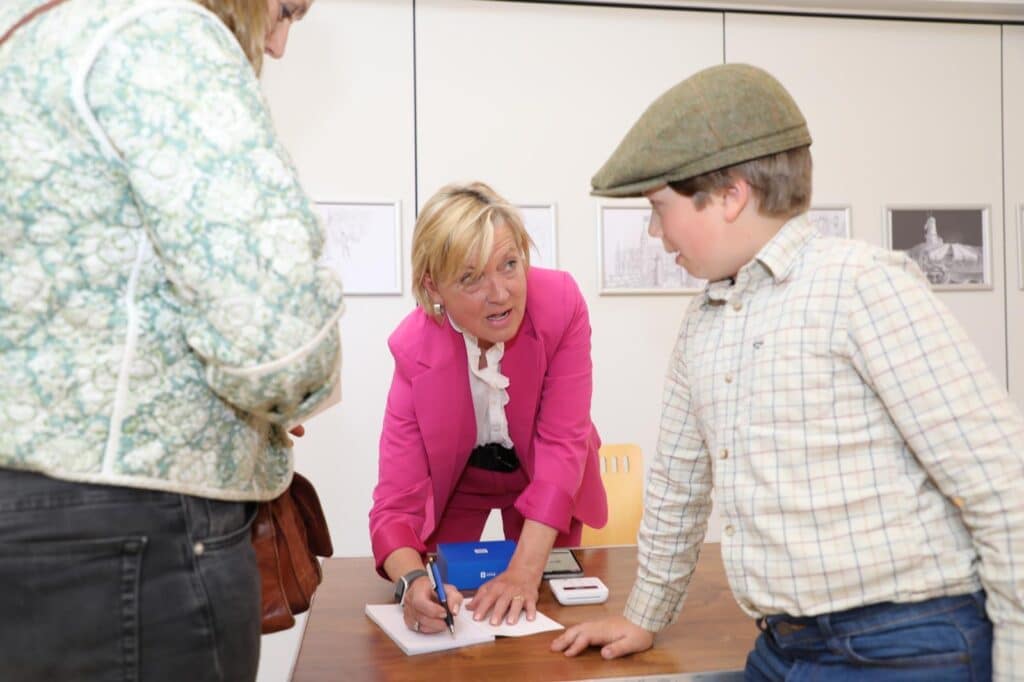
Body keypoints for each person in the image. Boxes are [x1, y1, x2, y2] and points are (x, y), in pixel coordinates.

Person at [551, 63, 1024, 680]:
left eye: (659, 207)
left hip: (907, 640)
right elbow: (677, 486)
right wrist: (644, 614)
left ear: (729, 195)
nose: (654, 230)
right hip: (783, 648)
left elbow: (1000, 484)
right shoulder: (703, 322)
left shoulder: (862, 285)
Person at [0, 0, 342, 680]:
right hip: (133, 537)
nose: (276, 46)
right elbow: (275, 339)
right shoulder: (170, 35)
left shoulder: (34, 42)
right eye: (283, 11)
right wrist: (294, 389)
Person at [369, 182, 608, 635]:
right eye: (470, 277)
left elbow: (562, 443)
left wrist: (525, 570)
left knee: (545, 623)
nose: (500, 293)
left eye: (510, 265)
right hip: (460, 486)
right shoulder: (413, 349)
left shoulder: (559, 305)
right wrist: (414, 580)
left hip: (545, 480)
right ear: (432, 286)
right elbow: (394, 503)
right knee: (451, 612)